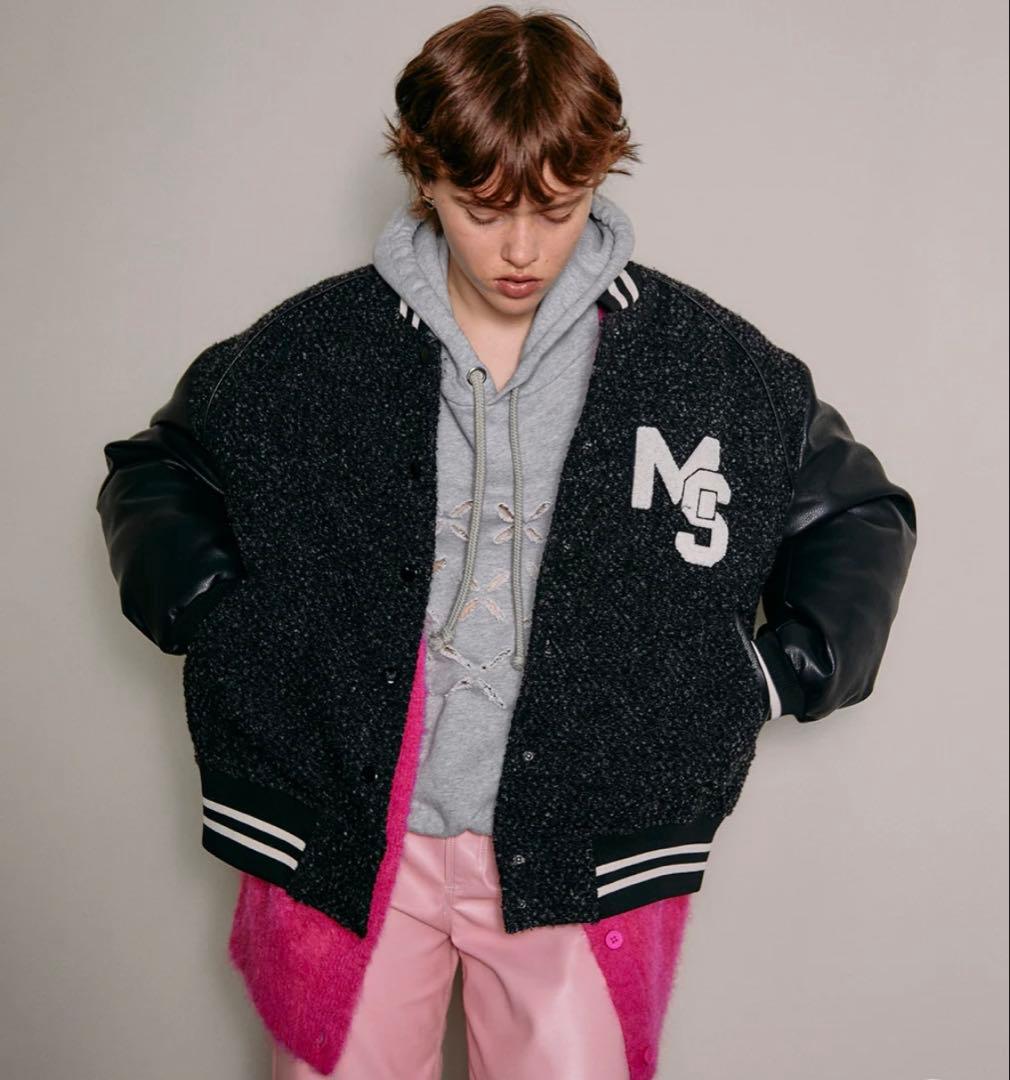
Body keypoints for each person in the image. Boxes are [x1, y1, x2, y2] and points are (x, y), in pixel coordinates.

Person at [94, 6, 918, 1079]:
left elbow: (858, 515)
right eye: (482, 210)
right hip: (351, 833)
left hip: (581, 840)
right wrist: (224, 624)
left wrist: (758, 680)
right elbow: (159, 469)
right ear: (424, 176)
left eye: (558, 208)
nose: (521, 249)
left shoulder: (707, 365)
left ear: (598, 177)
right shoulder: (316, 346)